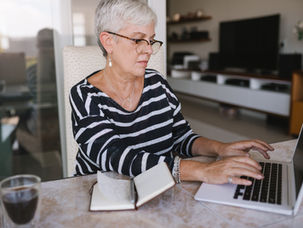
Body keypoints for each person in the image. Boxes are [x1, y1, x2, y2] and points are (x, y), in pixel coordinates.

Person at [70, 0, 274, 185]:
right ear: (108, 41)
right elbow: (116, 156)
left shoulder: (157, 83)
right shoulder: (84, 96)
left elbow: (181, 137)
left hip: (158, 188)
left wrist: (220, 149)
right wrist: (202, 170)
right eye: (138, 40)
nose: (149, 50)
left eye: (151, 40)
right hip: (103, 196)